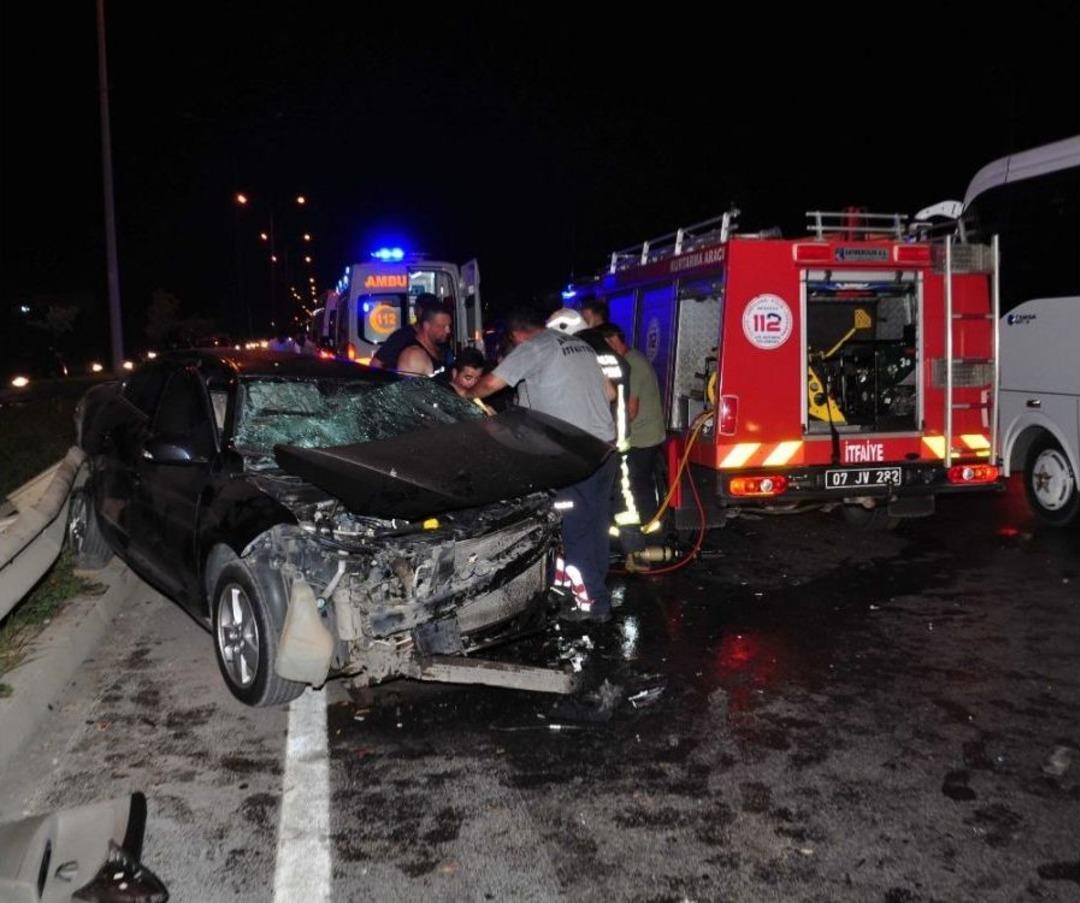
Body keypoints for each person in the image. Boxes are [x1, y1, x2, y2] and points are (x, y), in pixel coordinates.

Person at [467, 306, 618, 623]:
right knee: (595, 525)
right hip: (604, 448)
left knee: (572, 527)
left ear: (516, 335)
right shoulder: (582, 346)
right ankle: (592, 594)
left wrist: (463, 394)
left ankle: (590, 604)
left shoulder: (535, 347)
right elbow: (610, 393)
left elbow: (490, 386)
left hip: (569, 453)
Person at [596, 322, 666, 530]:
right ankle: (649, 529)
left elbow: (630, 410)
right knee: (641, 485)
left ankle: (644, 531)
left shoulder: (631, 365)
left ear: (612, 341)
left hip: (641, 438)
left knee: (634, 487)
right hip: (647, 435)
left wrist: (612, 436)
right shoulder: (634, 358)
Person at [369, 293, 440, 370]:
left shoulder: (441, 337)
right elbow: (375, 364)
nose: (426, 313)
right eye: (423, 309)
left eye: (431, 310)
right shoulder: (401, 337)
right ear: (416, 310)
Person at [396, 297, 452, 377]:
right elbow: (407, 389)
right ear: (427, 326)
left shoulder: (440, 349)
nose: (448, 331)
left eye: (449, 326)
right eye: (442, 326)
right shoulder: (413, 357)